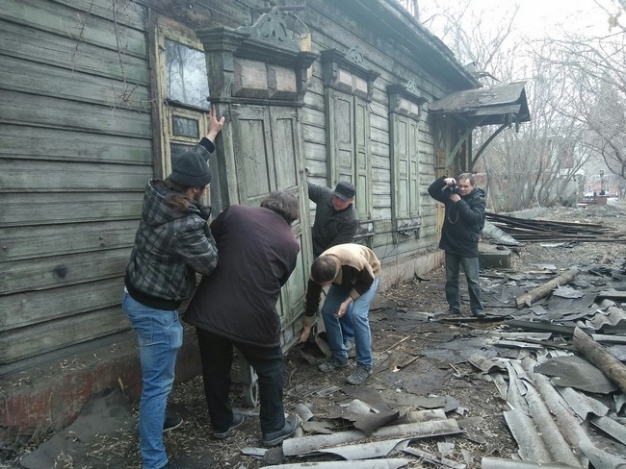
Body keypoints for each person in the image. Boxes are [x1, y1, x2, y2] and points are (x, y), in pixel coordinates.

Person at [122, 107, 224, 469]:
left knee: (154, 377)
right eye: (203, 190)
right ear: (194, 190)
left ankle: (156, 418)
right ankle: (154, 460)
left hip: (134, 293)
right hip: (155, 312)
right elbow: (210, 263)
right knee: (157, 385)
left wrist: (210, 135)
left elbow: (192, 160)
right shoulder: (186, 226)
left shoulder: (157, 193)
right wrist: (209, 223)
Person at [184, 191, 301, 447]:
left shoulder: (235, 212)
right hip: (255, 317)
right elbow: (279, 280)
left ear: (265, 203)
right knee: (270, 368)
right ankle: (273, 428)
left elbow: (208, 246)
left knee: (215, 367)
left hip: (211, 310)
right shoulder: (292, 243)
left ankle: (221, 424)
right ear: (292, 216)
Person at [299, 243, 381, 385]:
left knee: (358, 315)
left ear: (334, 275)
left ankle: (365, 366)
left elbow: (367, 280)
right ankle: (339, 357)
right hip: (345, 278)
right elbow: (312, 299)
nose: (323, 286)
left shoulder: (354, 262)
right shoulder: (318, 270)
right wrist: (307, 326)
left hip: (368, 275)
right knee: (328, 310)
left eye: (326, 284)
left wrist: (347, 301)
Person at [308, 181, 359, 351]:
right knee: (315, 287)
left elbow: (335, 250)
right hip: (314, 249)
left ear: (351, 200)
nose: (337, 202)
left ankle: (349, 336)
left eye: (342, 200)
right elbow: (301, 185)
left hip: (337, 259)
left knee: (341, 297)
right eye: (336, 197)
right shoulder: (324, 195)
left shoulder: (351, 220)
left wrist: (318, 266)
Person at [428, 173, 486, 318]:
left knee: (472, 280)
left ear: (473, 186)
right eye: (460, 185)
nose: (462, 189)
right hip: (451, 243)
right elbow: (432, 191)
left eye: (466, 186)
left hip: (468, 244)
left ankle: (477, 309)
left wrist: (459, 202)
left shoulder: (478, 199)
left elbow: (474, 218)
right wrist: (443, 181)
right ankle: (454, 307)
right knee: (451, 279)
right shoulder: (451, 194)